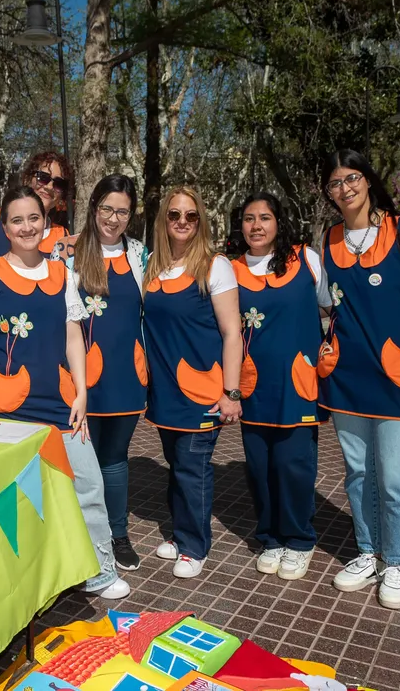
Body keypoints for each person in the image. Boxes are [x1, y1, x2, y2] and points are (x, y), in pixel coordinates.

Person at [0, 186, 130, 599]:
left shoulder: (63, 273)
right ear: (4, 227)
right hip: (8, 408)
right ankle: (31, 584)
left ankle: (99, 572)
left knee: (87, 485)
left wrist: (81, 394)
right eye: (17, 220)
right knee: (21, 499)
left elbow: (75, 336)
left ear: (46, 221)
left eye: (33, 218)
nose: (26, 227)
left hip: (61, 404)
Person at [320, 149, 400, 609]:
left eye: (352, 178)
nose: (345, 188)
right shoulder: (329, 238)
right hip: (349, 377)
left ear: (368, 180)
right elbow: (326, 303)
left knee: (394, 475)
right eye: (335, 182)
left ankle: (397, 561)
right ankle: (368, 551)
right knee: (358, 473)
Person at [232, 191, 333, 581]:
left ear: (279, 222)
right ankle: (270, 537)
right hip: (253, 384)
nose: (256, 226)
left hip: (297, 383)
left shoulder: (305, 260)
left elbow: (331, 306)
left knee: (293, 465)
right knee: (259, 466)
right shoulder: (229, 268)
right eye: (248, 219)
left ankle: (300, 539)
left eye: (265, 218)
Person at [143, 187, 243, 578]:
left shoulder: (214, 266)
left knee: (193, 466)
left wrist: (231, 392)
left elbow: (232, 332)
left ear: (200, 220)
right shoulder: (153, 264)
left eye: (190, 216)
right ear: (163, 220)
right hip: (164, 391)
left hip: (202, 390)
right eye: (174, 215)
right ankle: (180, 533)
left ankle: (194, 545)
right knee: (176, 463)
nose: (182, 222)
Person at [52, 175, 148, 571]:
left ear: (131, 215)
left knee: (114, 458)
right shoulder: (69, 255)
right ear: (94, 208)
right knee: (78, 461)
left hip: (126, 375)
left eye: (122, 211)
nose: (113, 217)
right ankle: (78, 539)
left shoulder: (141, 255)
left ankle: (117, 534)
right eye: (107, 208)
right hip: (79, 379)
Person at [0, 151, 71, 258]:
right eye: (43, 177)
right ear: (27, 179)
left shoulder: (62, 237)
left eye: (59, 184)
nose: (49, 187)